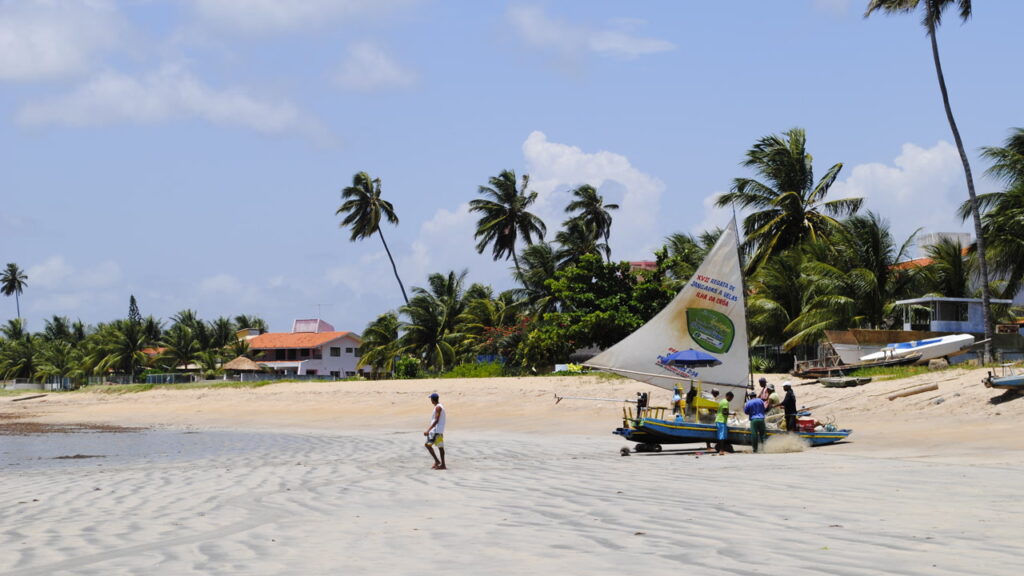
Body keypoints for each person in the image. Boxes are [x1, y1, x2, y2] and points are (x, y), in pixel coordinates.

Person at [424, 393, 446, 470]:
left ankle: (437, 461)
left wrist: (428, 430)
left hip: (436, 431)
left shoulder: (438, 408)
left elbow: (436, 420)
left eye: (431, 399)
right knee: (440, 447)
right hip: (439, 430)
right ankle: (443, 464)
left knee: (427, 445)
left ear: (432, 400)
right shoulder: (440, 406)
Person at [714, 390, 735, 455]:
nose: (731, 399)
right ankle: (721, 450)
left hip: (719, 420)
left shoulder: (722, 401)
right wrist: (731, 413)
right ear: (728, 396)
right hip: (721, 420)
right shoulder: (726, 402)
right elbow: (724, 412)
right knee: (722, 436)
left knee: (721, 435)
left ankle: (720, 448)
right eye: (731, 398)